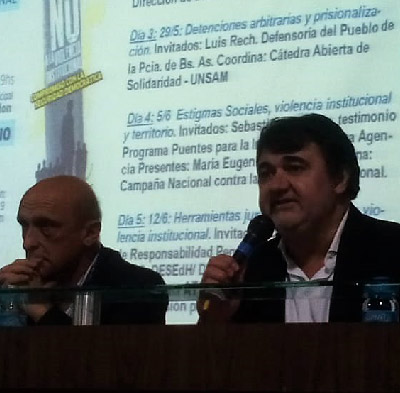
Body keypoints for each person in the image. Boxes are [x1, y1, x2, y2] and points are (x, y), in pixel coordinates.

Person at [198, 113, 400, 323]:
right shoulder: (252, 271)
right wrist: (216, 319)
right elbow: (218, 344)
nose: (277, 185)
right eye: (266, 173)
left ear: (340, 178)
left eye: (295, 168)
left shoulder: (393, 249)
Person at [0, 176, 168, 325]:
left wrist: (41, 310)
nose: (28, 242)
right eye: (24, 226)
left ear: (90, 233)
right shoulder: (17, 284)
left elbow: (106, 351)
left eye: (47, 227)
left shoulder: (138, 286)